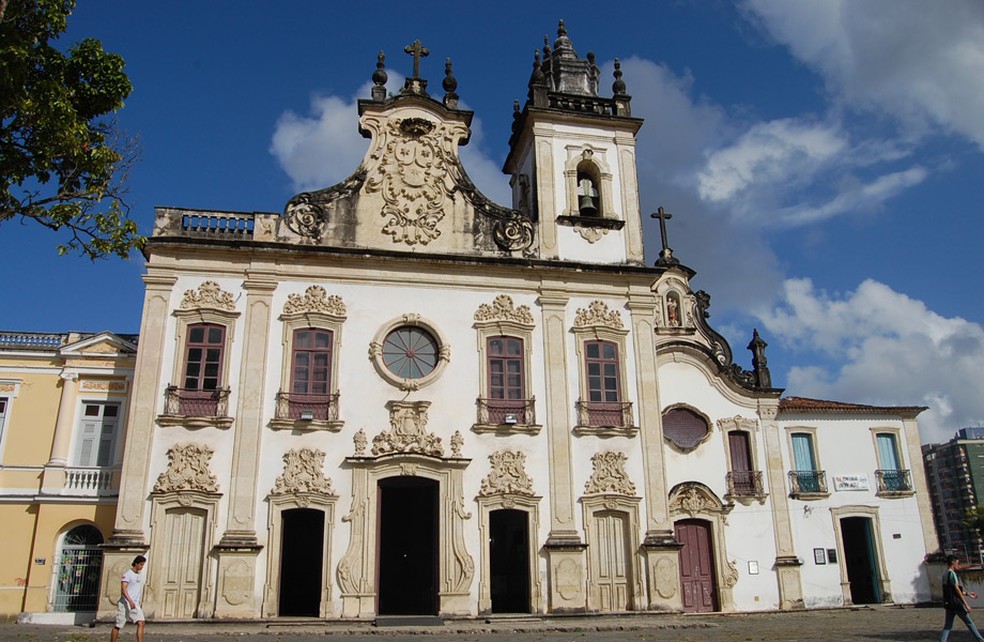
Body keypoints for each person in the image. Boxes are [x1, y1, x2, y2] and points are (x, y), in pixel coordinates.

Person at [941, 554, 984, 642]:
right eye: (957, 563)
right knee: (970, 623)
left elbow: (951, 591)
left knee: (947, 626)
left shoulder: (945, 574)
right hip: (957, 604)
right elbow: (956, 589)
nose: (958, 565)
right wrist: (966, 604)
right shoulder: (952, 574)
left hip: (949, 604)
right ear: (953, 563)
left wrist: (968, 594)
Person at [111, 555, 146, 642]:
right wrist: (130, 601)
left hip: (135, 604)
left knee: (141, 622)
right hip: (125, 603)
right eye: (141, 565)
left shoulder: (138, 575)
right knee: (119, 625)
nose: (142, 567)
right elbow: (123, 588)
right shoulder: (127, 574)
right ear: (136, 564)